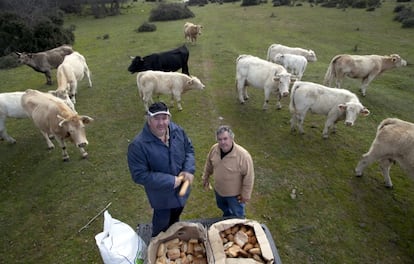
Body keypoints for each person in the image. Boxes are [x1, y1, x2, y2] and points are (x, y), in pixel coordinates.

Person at [127, 102, 195, 237]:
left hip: (182, 189)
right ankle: (158, 243)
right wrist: (170, 181)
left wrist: (188, 169)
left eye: (164, 118)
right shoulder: (138, 145)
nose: (161, 123)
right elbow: (139, 175)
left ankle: (174, 235)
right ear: (149, 119)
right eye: (156, 119)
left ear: (169, 119)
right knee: (162, 225)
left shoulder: (177, 131)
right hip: (161, 197)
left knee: (176, 217)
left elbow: (189, 150)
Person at [201, 125, 255, 218]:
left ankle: (238, 221)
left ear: (232, 138)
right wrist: (205, 178)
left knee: (238, 215)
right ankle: (227, 216)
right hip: (219, 191)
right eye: (220, 139)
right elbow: (209, 164)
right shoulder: (214, 149)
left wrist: (246, 195)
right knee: (222, 207)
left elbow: (249, 176)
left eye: (225, 139)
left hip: (234, 196)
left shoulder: (243, 156)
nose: (222, 142)